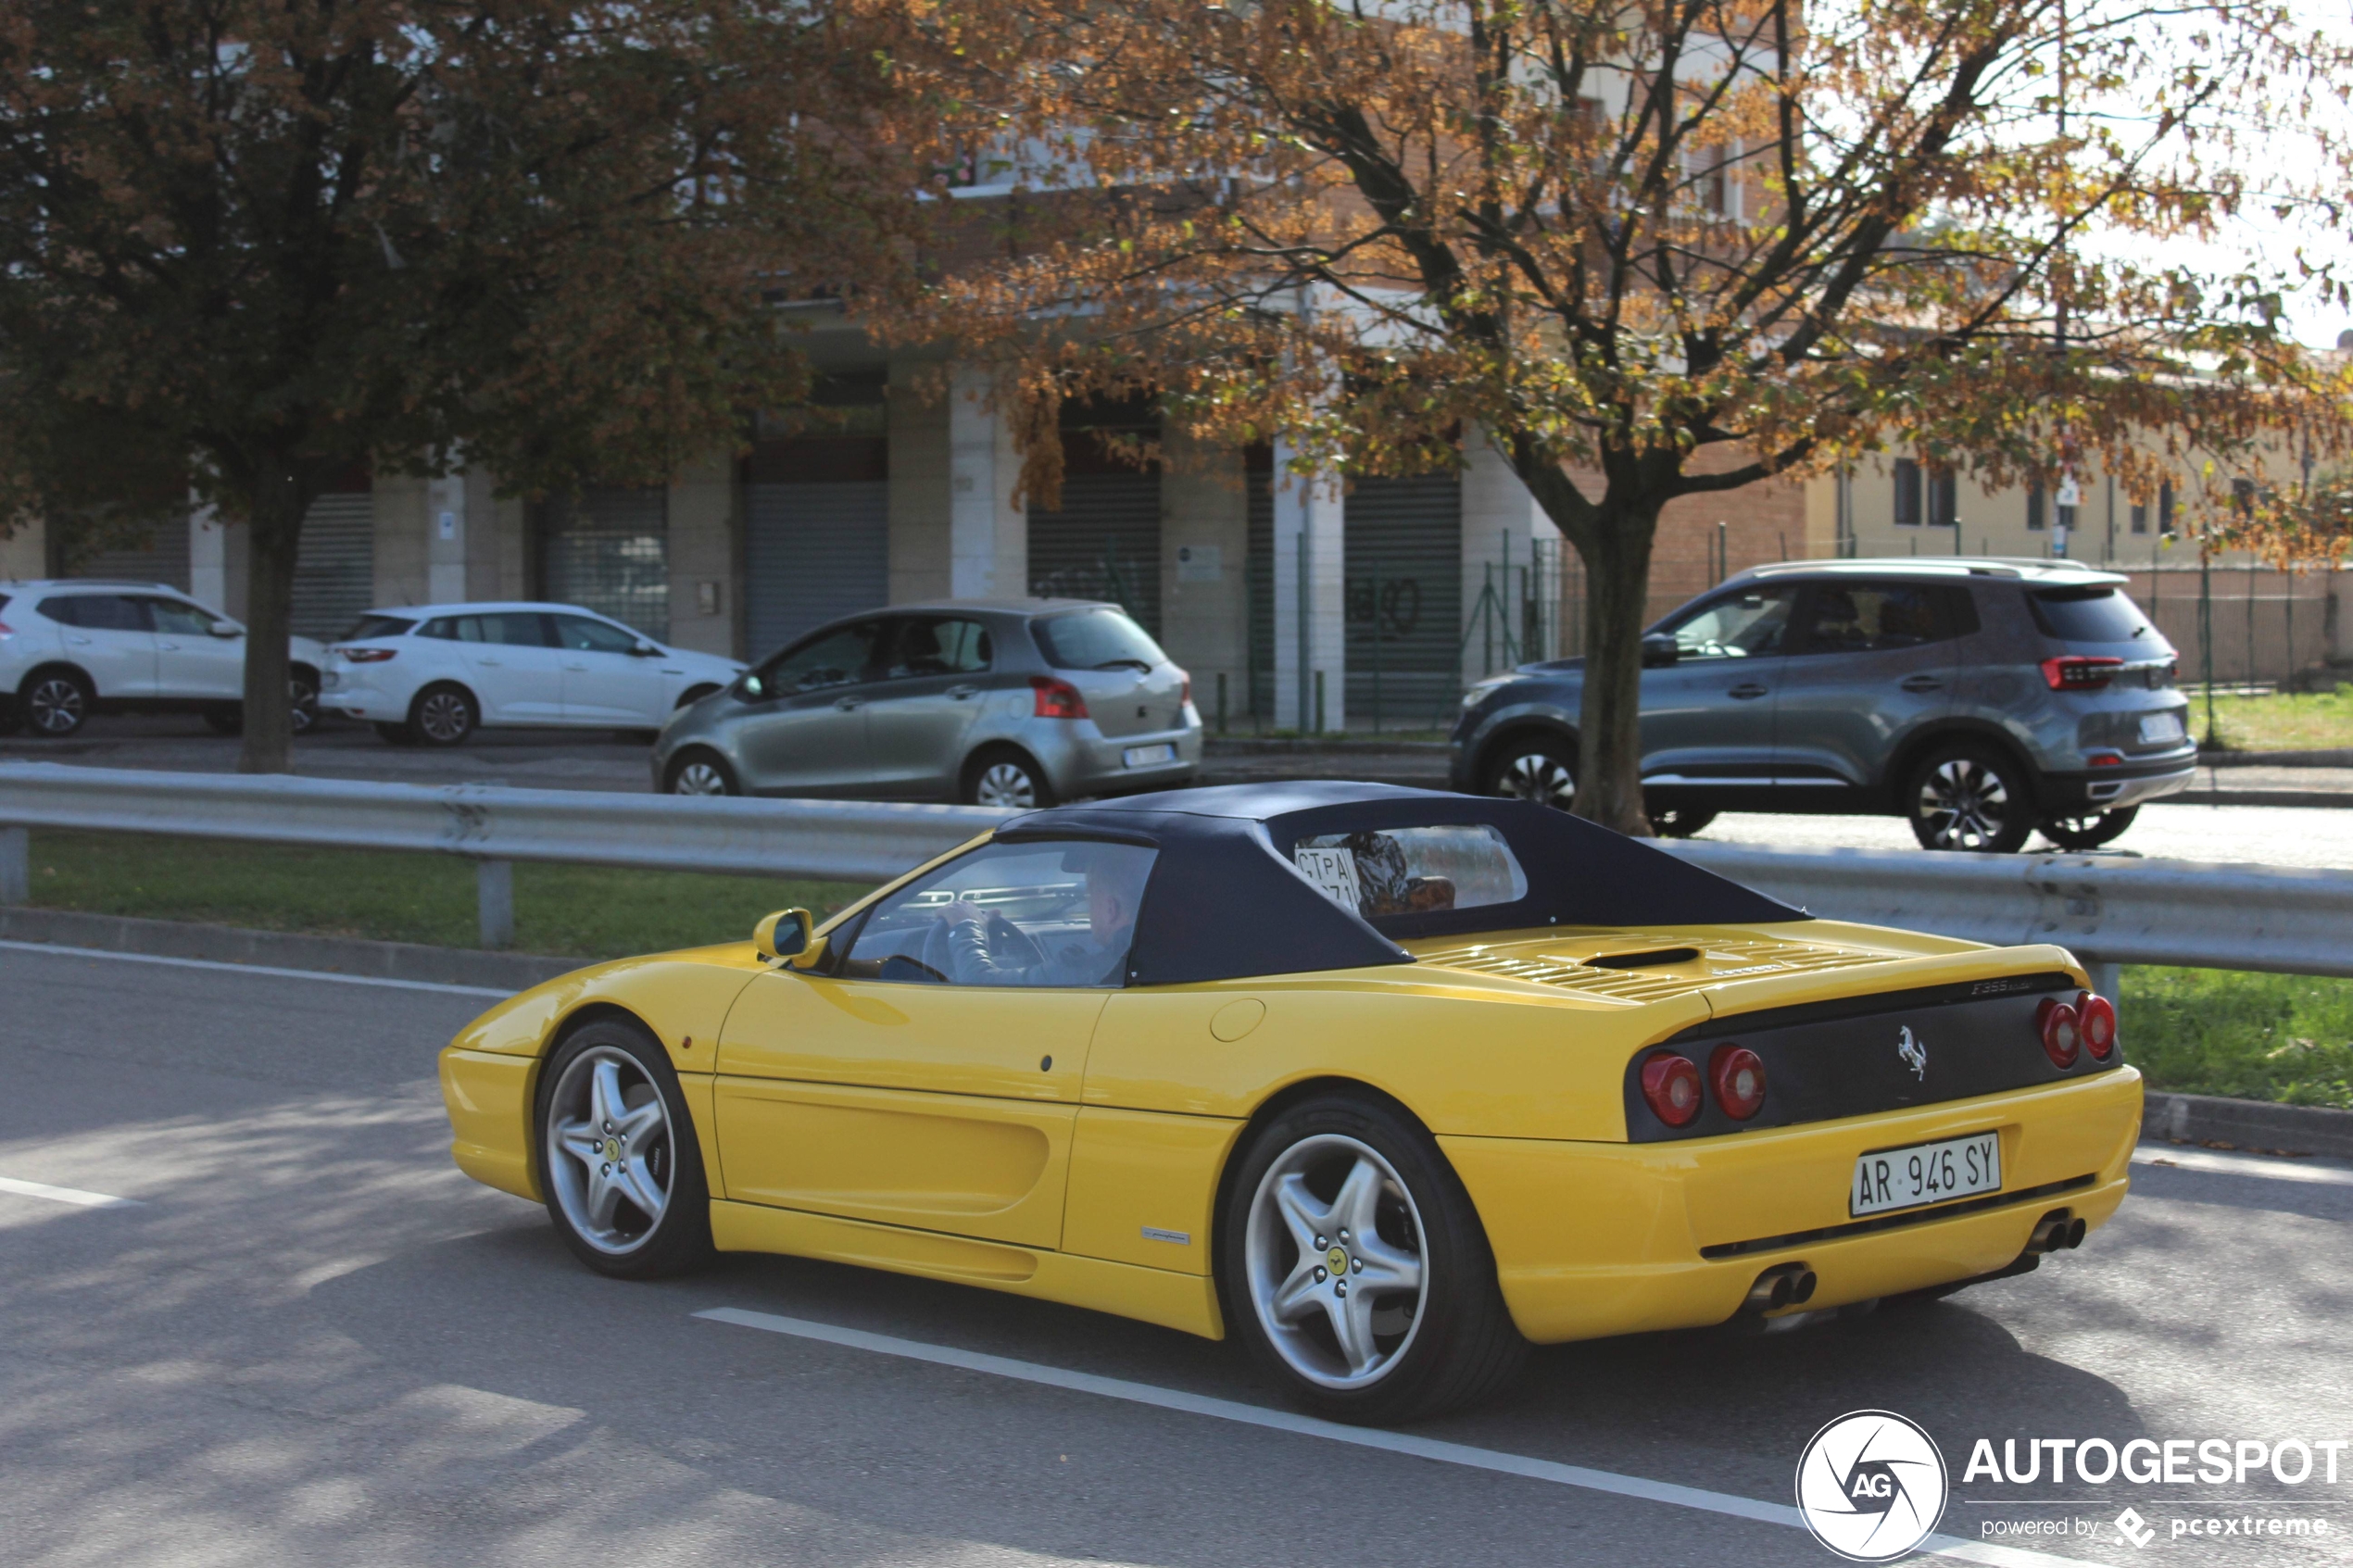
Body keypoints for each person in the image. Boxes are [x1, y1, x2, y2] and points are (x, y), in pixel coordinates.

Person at [940, 845, 1151, 986]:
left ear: (1110, 909)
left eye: (1090, 896)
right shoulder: (1169, 950)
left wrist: (966, 927)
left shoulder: (1090, 971)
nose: (1089, 906)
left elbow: (978, 983)